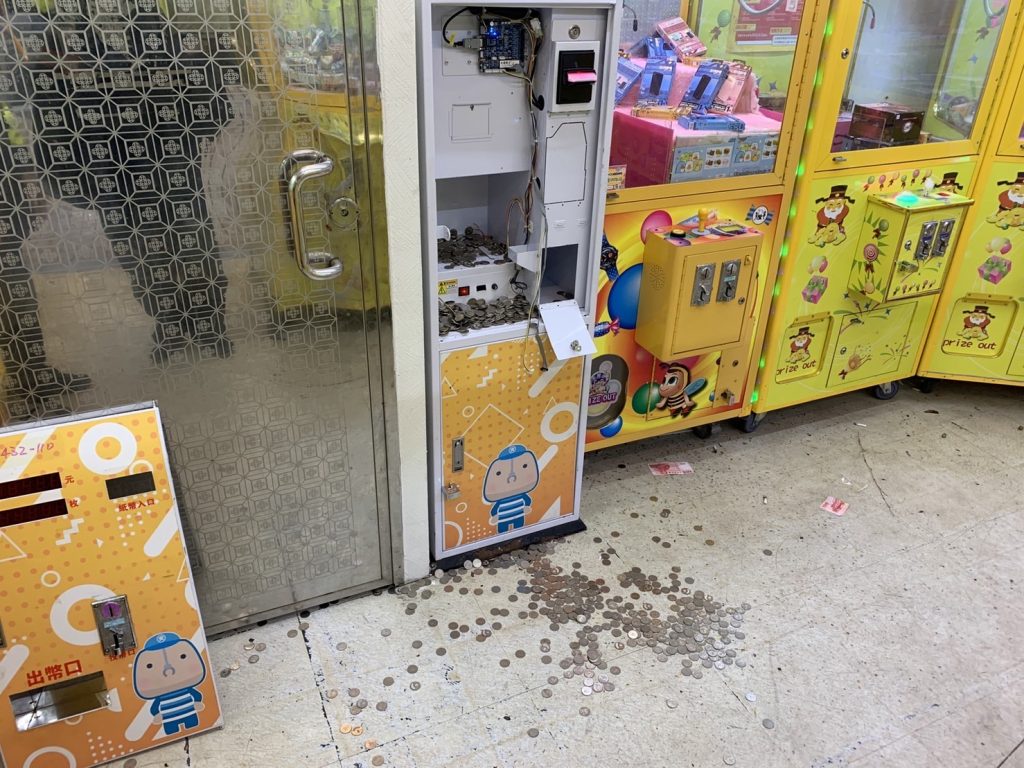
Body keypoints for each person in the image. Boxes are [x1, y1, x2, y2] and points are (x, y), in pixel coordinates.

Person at [0, 0, 236, 417]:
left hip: (165, 156)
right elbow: (42, 93)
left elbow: (190, 78)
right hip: (111, 166)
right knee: (138, 249)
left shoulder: (147, 22)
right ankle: (168, 320)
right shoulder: (68, 28)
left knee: (190, 239)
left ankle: (208, 320)